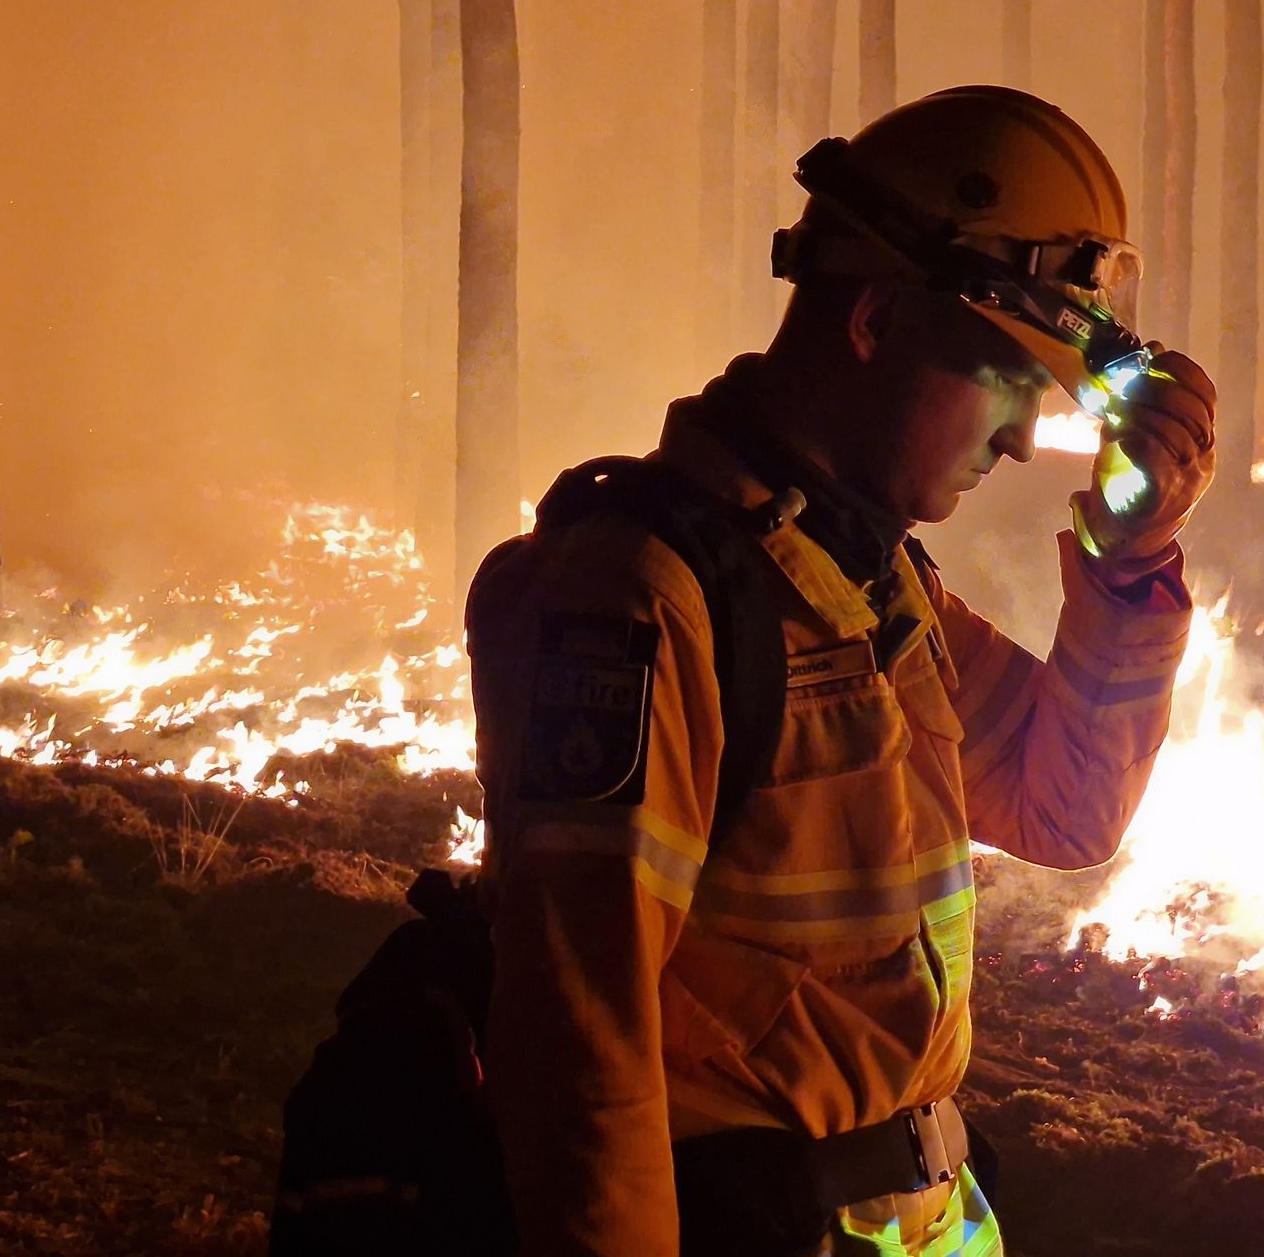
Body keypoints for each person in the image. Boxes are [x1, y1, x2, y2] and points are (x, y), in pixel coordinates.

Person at [466, 85, 1216, 1257]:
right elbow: (579, 1055)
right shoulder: (648, 600)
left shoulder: (869, 586)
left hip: (915, 1220)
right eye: (1006, 380)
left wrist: (1130, 564)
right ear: (875, 321)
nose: (1022, 440)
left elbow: (1065, 810)